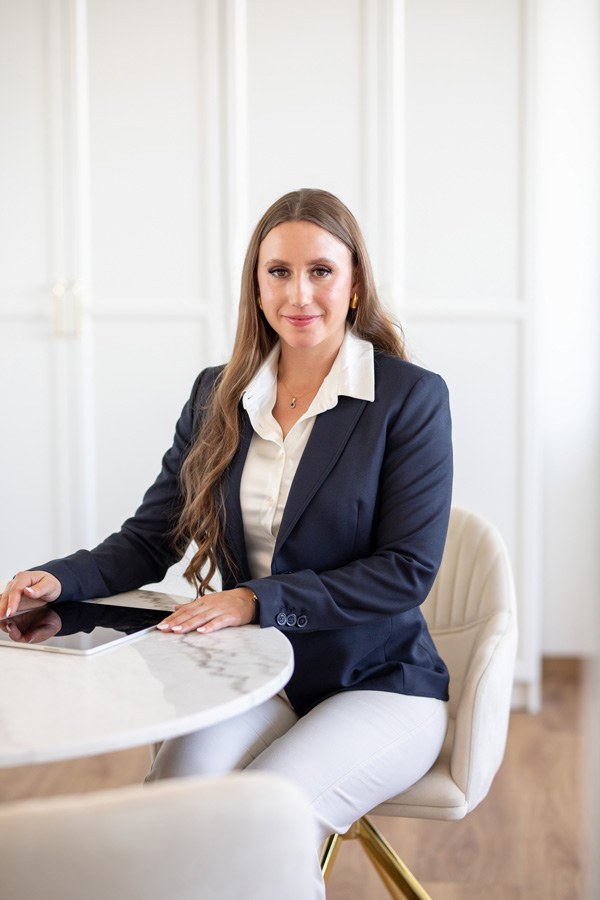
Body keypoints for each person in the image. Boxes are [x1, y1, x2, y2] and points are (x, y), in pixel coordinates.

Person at [1, 189, 453, 899]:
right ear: (256, 283)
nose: (299, 293)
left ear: (356, 282)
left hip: (379, 681)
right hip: (253, 674)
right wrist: (60, 580)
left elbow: (407, 571)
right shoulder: (219, 392)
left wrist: (254, 599)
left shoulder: (410, 397)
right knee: (170, 806)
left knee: (268, 816)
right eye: (278, 272)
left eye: (321, 272)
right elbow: (152, 539)